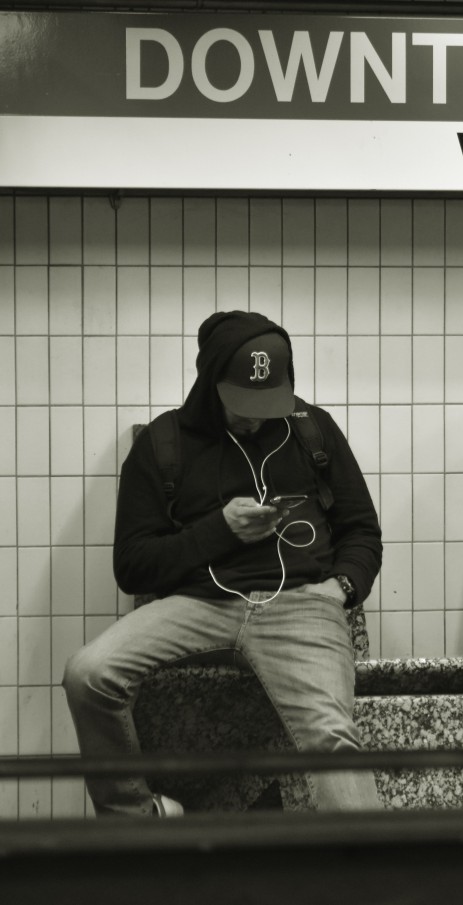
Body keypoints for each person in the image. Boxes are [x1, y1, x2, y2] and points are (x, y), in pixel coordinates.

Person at [63, 311, 383, 816]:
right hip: (199, 604)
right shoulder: (164, 444)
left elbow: (362, 530)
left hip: (301, 605)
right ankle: (136, 821)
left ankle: (373, 881)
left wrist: (342, 588)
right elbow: (133, 566)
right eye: (242, 405)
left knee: (332, 737)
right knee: (89, 673)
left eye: (267, 402)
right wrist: (220, 530)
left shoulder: (312, 431)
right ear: (210, 383)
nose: (255, 417)